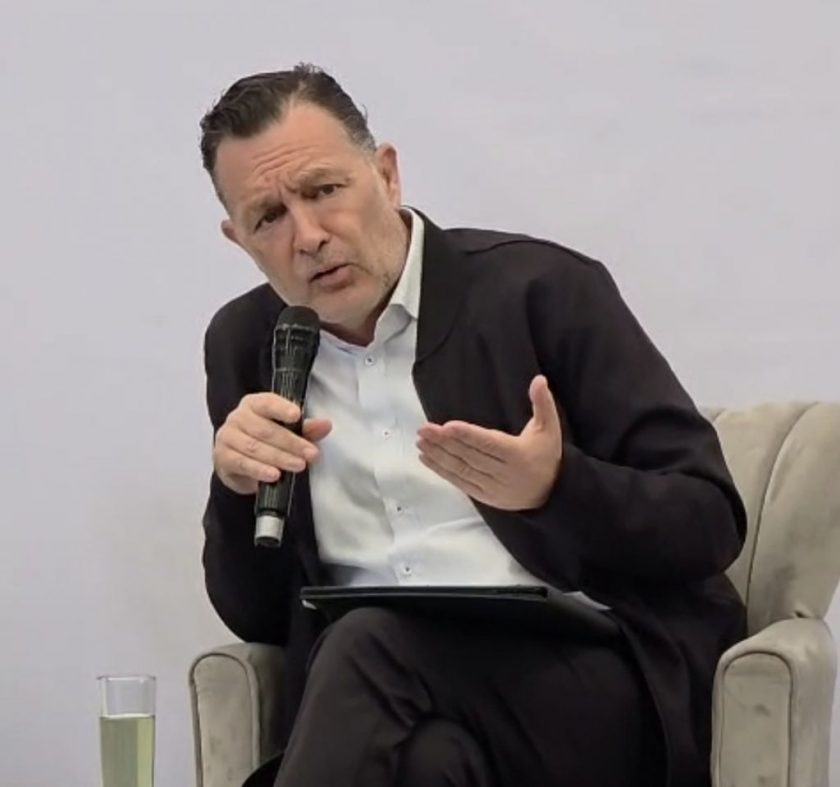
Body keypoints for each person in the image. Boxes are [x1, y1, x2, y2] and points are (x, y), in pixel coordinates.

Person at [199, 63, 747, 787]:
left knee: (368, 643)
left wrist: (556, 490)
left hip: (589, 684)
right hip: (385, 701)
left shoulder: (542, 290)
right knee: (428, 762)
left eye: (325, 190)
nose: (309, 236)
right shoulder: (247, 345)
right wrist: (237, 489)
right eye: (269, 217)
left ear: (386, 175)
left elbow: (709, 520)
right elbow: (258, 617)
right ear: (238, 239)